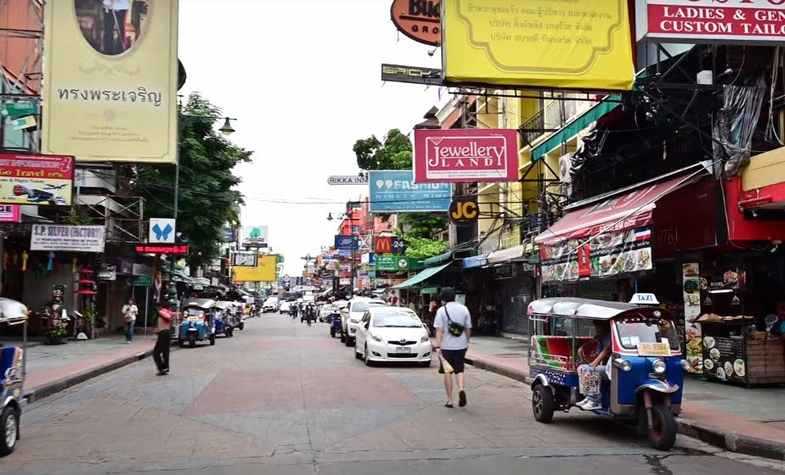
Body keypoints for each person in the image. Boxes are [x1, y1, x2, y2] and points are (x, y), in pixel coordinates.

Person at [433, 288, 472, 408]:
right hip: (461, 345)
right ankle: (461, 389)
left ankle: (450, 400)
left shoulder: (441, 310)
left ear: (443, 298)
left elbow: (439, 330)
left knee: (448, 371)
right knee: (459, 369)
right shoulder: (464, 308)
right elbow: (468, 328)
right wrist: (467, 341)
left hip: (447, 346)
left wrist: (438, 346)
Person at [576, 320, 612, 411]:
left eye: (598, 327)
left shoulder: (609, 337)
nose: (596, 329)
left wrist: (594, 363)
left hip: (611, 368)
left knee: (591, 370)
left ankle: (595, 400)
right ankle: (588, 397)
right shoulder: (600, 337)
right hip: (604, 365)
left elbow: (606, 350)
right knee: (581, 368)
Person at [153, 304, 173, 375]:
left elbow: (168, 317)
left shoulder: (162, 312)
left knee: (156, 352)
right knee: (165, 351)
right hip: (165, 333)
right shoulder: (166, 312)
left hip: (164, 333)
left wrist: (159, 312)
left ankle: (161, 368)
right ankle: (165, 368)